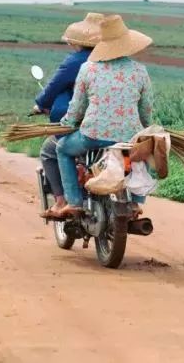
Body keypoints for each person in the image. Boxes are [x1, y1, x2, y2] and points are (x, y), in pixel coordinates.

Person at [48, 14, 154, 219]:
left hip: (92, 135)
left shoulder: (88, 69)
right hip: (128, 137)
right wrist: (146, 130)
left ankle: (74, 202)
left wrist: (67, 123)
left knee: (62, 149)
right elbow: (146, 109)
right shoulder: (140, 71)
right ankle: (136, 202)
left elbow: (77, 107)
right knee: (144, 150)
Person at [33, 13, 102, 217]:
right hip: (120, 128)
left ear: (76, 42)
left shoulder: (77, 62)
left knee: (51, 150)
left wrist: (40, 104)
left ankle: (64, 201)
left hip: (83, 123)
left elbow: (55, 88)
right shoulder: (115, 61)